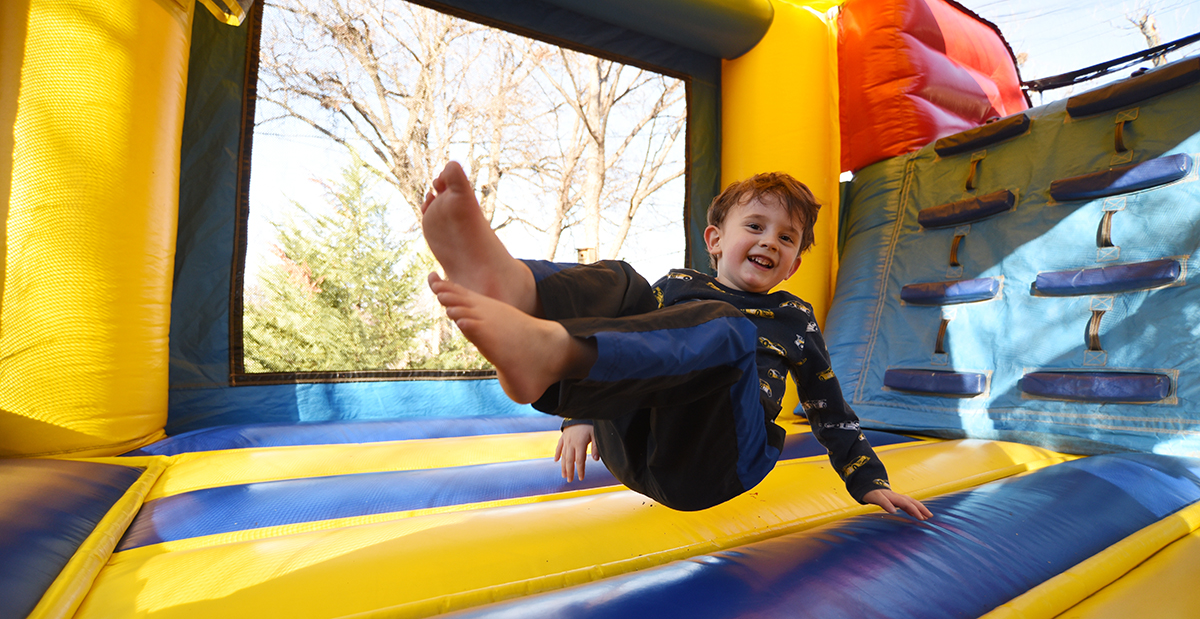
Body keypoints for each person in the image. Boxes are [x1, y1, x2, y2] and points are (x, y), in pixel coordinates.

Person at [421, 161, 930, 519]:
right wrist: (581, 416)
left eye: (786, 237)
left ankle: (559, 353)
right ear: (715, 240)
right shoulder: (679, 287)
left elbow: (830, 411)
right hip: (638, 445)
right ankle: (517, 287)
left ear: (794, 263)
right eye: (755, 225)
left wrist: (870, 481)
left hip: (715, 462)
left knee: (729, 329)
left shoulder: (793, 317)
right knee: (624, 283)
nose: (769, 241)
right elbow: (630, 341)